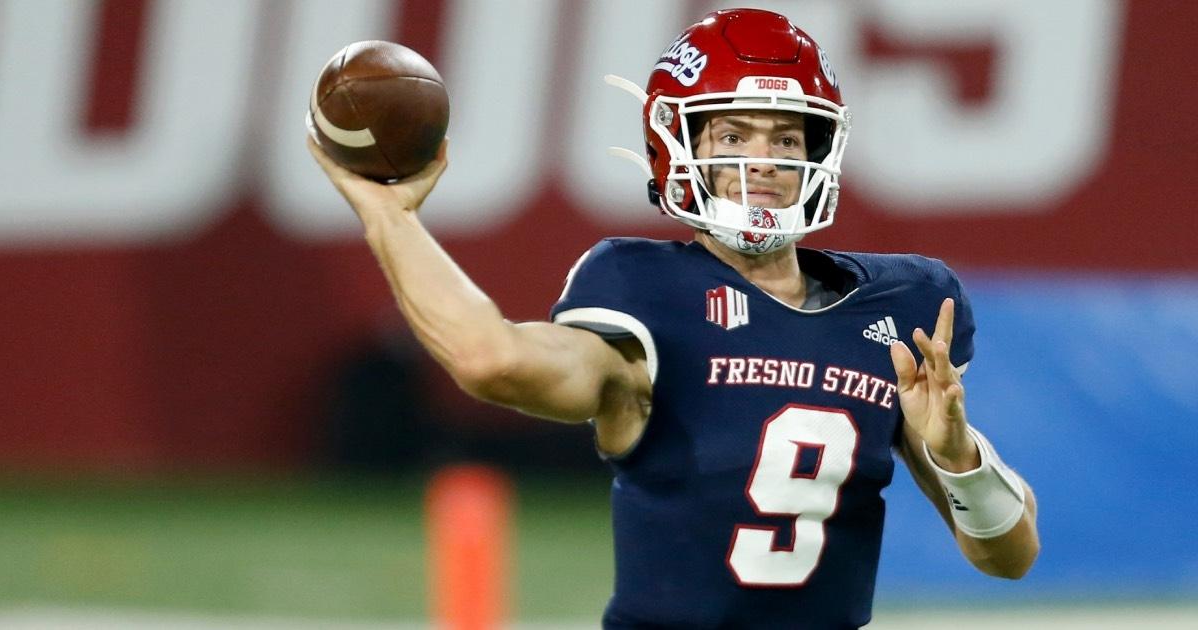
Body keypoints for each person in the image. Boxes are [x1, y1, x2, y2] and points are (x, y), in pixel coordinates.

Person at [307, 8, 1039, 629]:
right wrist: (388, 217)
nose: (764, 162)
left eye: (786, 138)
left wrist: (955, 455)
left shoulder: (900, 307)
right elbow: (493, 361)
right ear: (680, 147)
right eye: (733, 136)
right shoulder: (645, 290)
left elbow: (1011, 555)